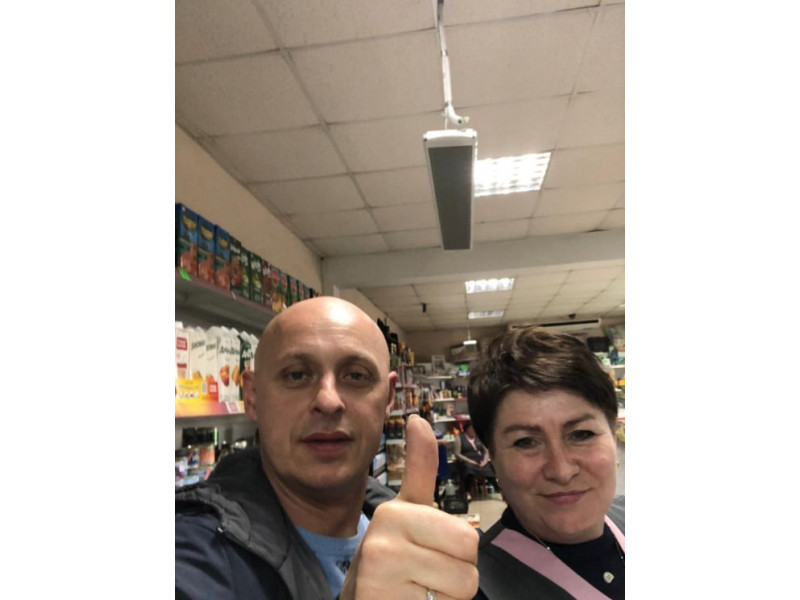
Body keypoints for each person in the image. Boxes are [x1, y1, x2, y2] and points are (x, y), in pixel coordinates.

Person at [176, 296, 479, 600]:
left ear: (388, 398)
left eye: (356, 376)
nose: (328, 400)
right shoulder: (193, 556)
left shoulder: (427, 546)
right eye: (296, 375)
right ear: (253, 396)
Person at [466, 326, 625, 599]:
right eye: (526, 442)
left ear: (613, 433)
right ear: (492, 457)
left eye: (581, 434)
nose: (561, 471)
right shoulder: (472, 587)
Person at [453, 422, 498, 500]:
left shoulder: (479, 437)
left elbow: (486, 451)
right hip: (467, 461)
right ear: (466, 429)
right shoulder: (459, 438)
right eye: (471, 428)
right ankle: (467, 492)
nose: (473, 430)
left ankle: (499, 489)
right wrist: (470, 461)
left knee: (490, 468)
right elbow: (457, 454)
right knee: (468, 469)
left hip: (480, 460)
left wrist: (485, 461)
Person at [419, 401, 451, 506]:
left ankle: (438, 501)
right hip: (432, 460)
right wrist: (440, 442)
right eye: (432, 415)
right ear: (427, 416)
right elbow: (425, 442)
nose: (434, 417)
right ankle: (436, 502)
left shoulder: (432, 426)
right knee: (434, 483)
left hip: (440, 459)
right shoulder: (424, 428)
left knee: (439, 482)